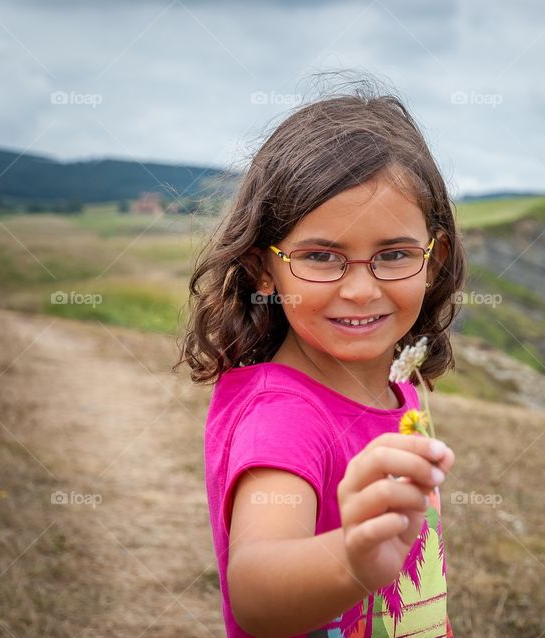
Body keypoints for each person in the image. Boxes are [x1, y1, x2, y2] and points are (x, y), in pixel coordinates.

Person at [175, 82, 466, 637]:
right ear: (264, 267)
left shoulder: (398, 387)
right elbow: (257, 593)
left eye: (395, 254)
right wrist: (352, 559)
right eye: (322, 257)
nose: (360, 289)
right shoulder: (282, 416)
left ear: (435, 259)